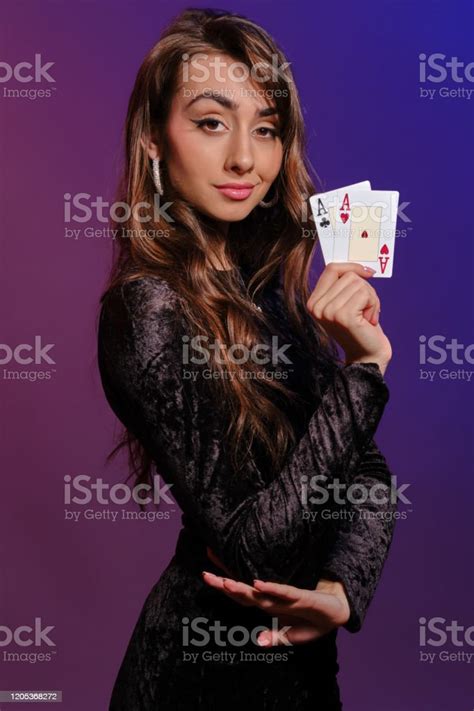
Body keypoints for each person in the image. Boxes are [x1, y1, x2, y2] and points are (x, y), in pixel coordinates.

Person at [96, 8, 396, 709]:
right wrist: (365, 372)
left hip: (300, 674)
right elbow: (257, 549)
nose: (245, 159)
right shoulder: (146, 309)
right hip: (200, 680)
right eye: (210, 122)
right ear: (152, 139)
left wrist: (338, 591)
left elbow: (371, 476)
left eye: (266, 128)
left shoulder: (271, 290)